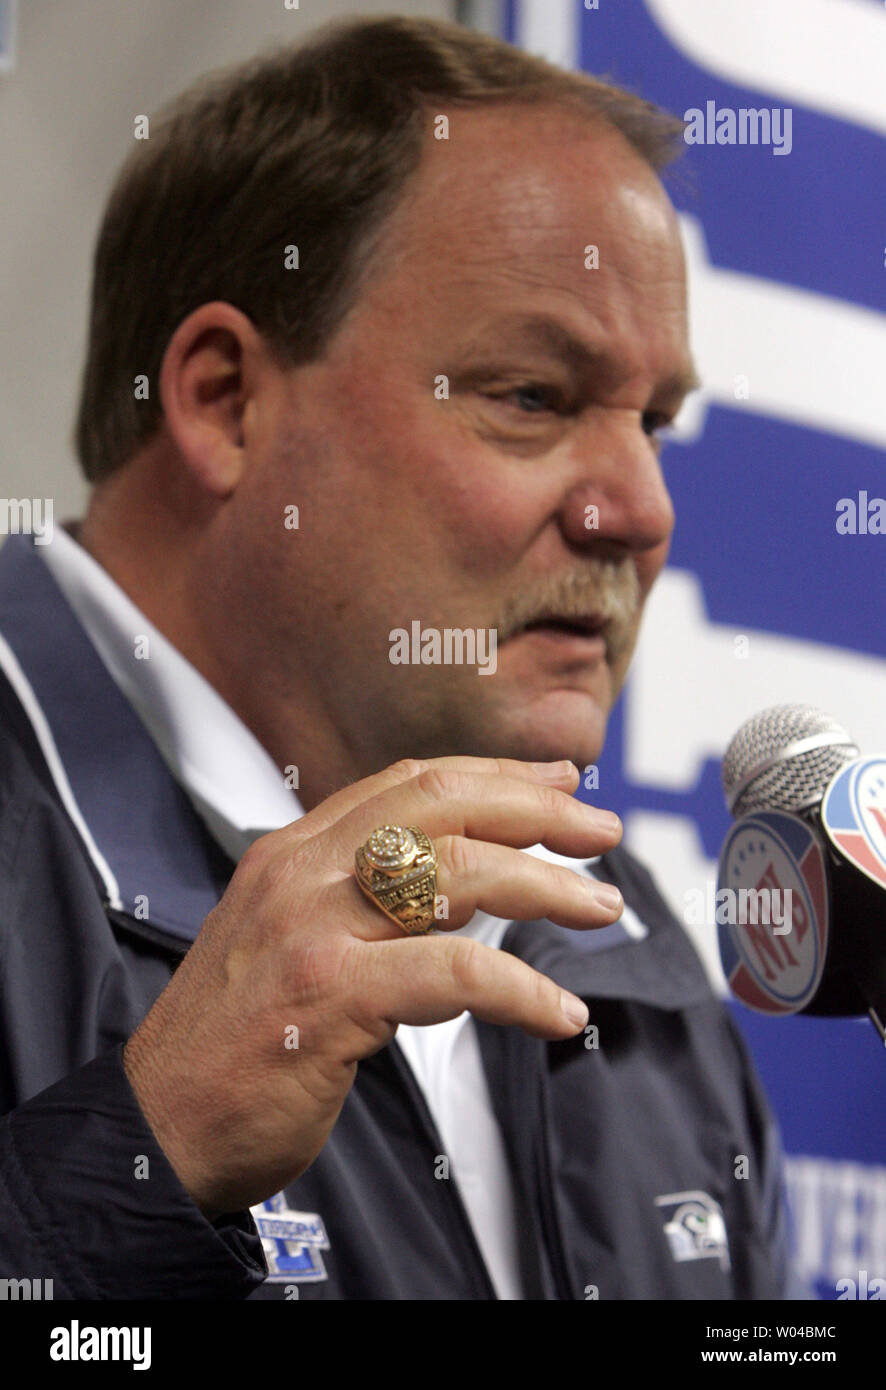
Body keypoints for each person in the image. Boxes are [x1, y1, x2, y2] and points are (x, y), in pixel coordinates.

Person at [0, 15, 799, 1299]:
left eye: (652, 420)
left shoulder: (625, 942)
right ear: (221, 400)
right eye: (532, 396)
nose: (641, 510)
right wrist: (140, 1155)